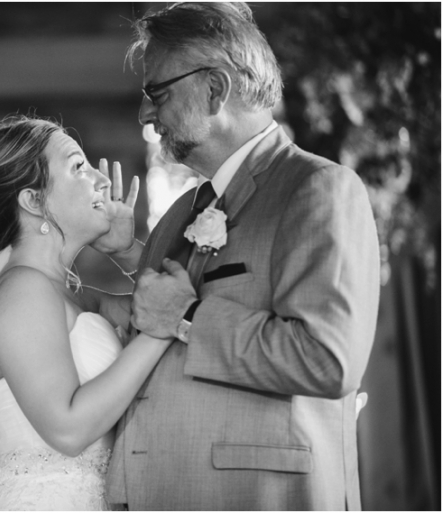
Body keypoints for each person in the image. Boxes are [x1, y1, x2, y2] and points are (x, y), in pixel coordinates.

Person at [97, 3, 381, 510]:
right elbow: (169, 301)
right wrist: (129, 253)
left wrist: (188, 317)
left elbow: (328, 359)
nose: (144, 113)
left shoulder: (318, 189)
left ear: (214, 89)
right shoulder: (184, 208)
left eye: (156, 92)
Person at [0, 115, 172, 511]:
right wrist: (156, 334)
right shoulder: (21, 293)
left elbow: (175, 311)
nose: (101, 179)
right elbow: (67, 428)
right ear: (33, 201)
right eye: (78, 166)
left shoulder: (65, 294)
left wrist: (127, 251)